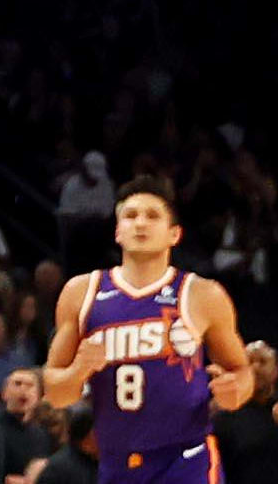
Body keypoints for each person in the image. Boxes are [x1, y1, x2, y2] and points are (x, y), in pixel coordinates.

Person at [39, 185, 241, 484]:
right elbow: (56, 394)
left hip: (186, 458)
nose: (141, 223)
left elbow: (241, 372)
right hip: (116, 461)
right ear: (118, 232)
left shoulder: (202, 294)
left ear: (174, 234)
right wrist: (80, 369)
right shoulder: (82, 292)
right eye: (131, 216)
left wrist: (235, 392)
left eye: (152, 216)